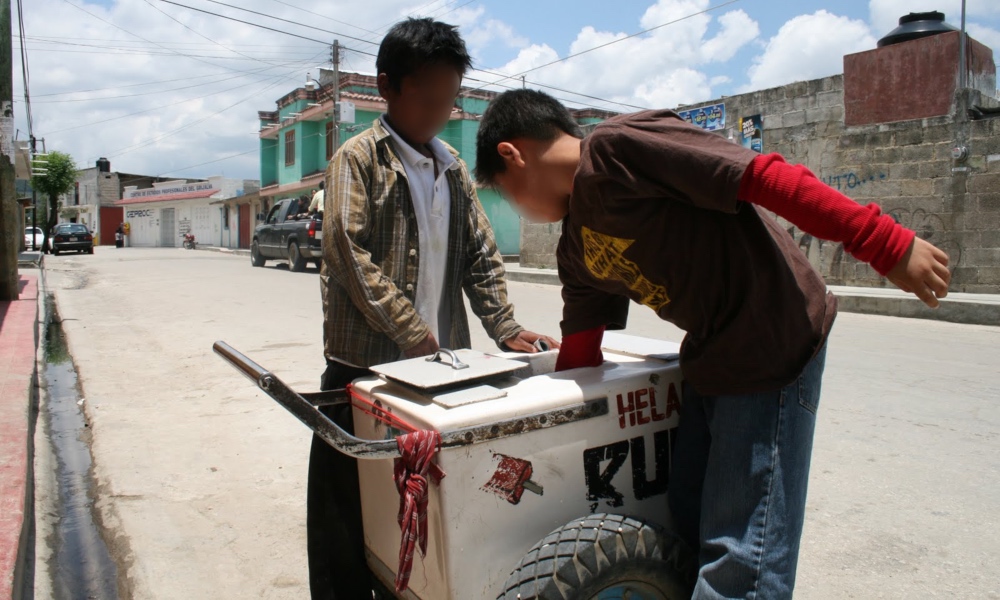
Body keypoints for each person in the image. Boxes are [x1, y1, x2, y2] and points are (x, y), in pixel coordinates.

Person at [474, 89, 951, 598]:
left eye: (504, 193)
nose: (515, 209)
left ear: (513, 153)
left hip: (772, 337)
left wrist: (885, 243)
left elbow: (766, 178)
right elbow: (583, 342)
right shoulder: (575, 246)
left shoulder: (618, 147)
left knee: (742, 558)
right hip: (712, 352)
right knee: (686, 514)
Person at [312, 20, 559, 600]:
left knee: (421, 513)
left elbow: (480, 254)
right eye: (426, 98)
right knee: (346, 515)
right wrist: (413, 333)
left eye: (448, 100)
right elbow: (349, 254)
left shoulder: (452, 168)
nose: (437, 113)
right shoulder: (358, 160)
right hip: (363, 372)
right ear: (387, 87)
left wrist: (505, 326)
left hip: (436, 374)